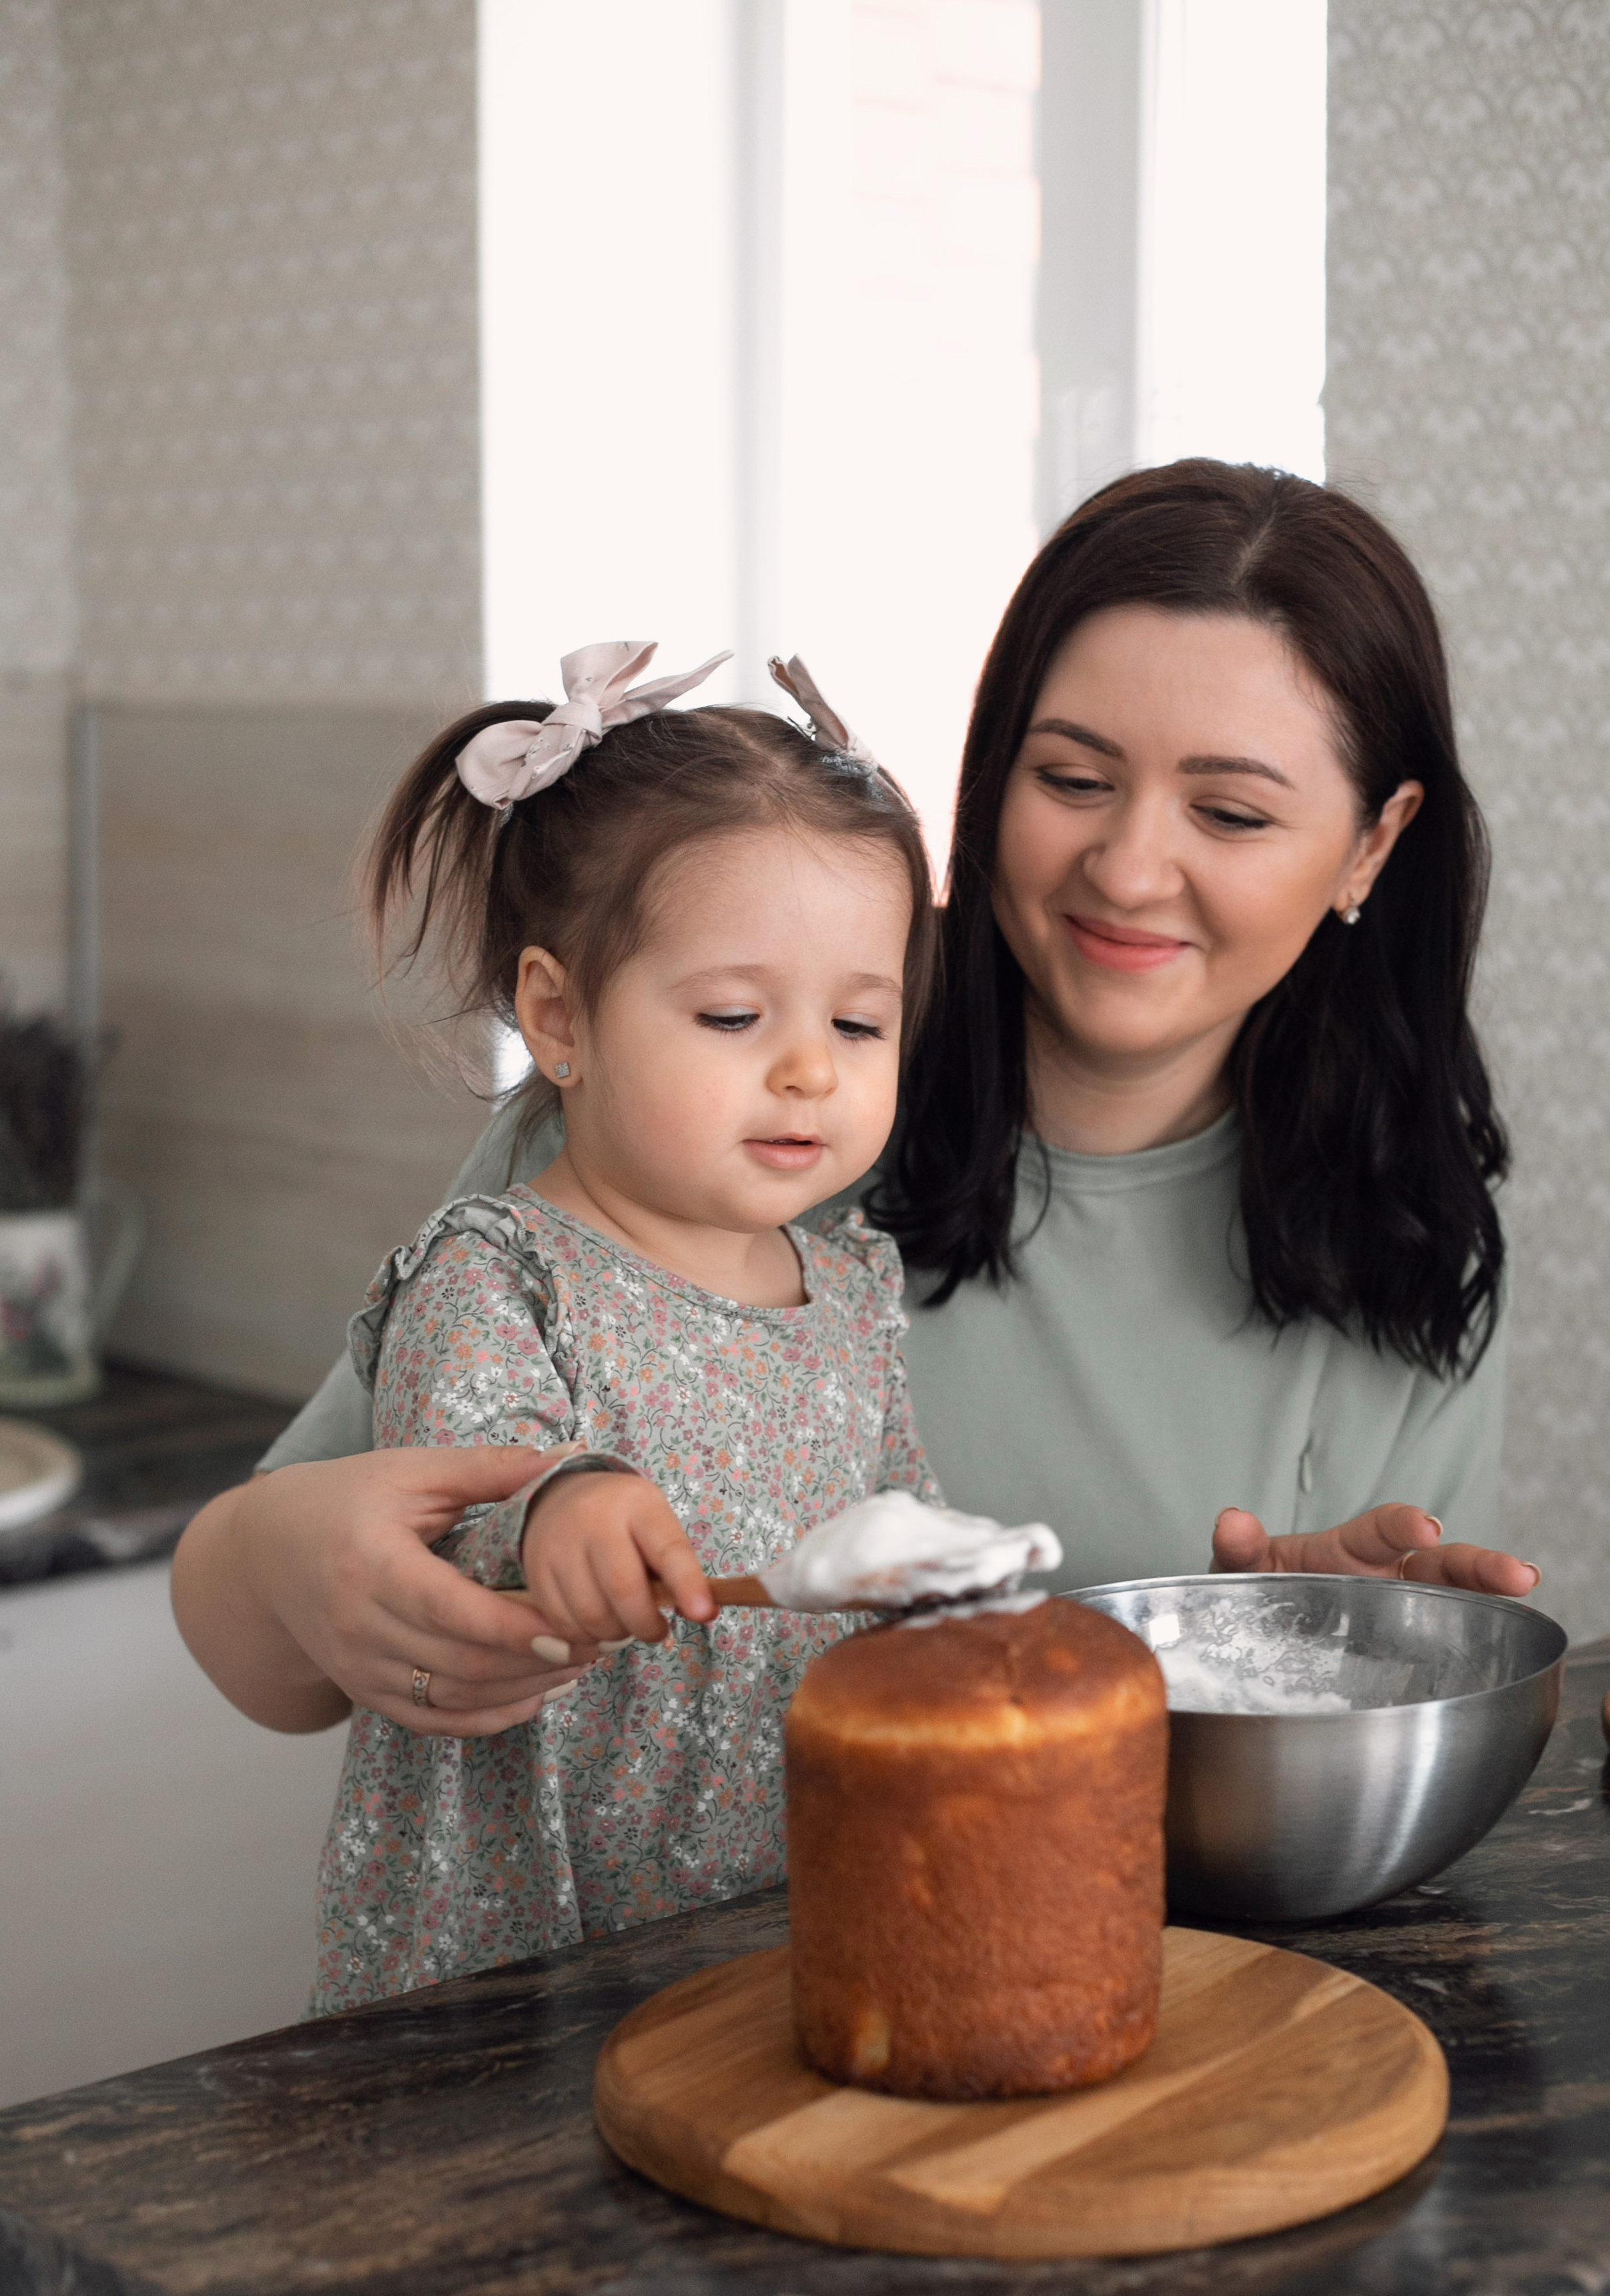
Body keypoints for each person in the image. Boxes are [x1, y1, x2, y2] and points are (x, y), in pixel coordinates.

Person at [175, 460, 1539, 1767]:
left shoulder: (1398, 1235)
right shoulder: (703, 1108)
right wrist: (291, 1564)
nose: (1126, 868)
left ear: (1370, 841)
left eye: (1230, 813)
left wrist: (1270, 1660)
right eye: (1068, 780)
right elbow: (257, 1657)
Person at [276, 643, 939, 2011]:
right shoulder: (497, 1268)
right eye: (734, 1015)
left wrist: (942, 1594)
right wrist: (558, 1504)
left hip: (770, 1900)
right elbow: (466, 1482)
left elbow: (893, 1519)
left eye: (860, 1024)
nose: (809, 1066)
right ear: (557, 1015)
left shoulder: (855, 1298)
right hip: (521, 1928)